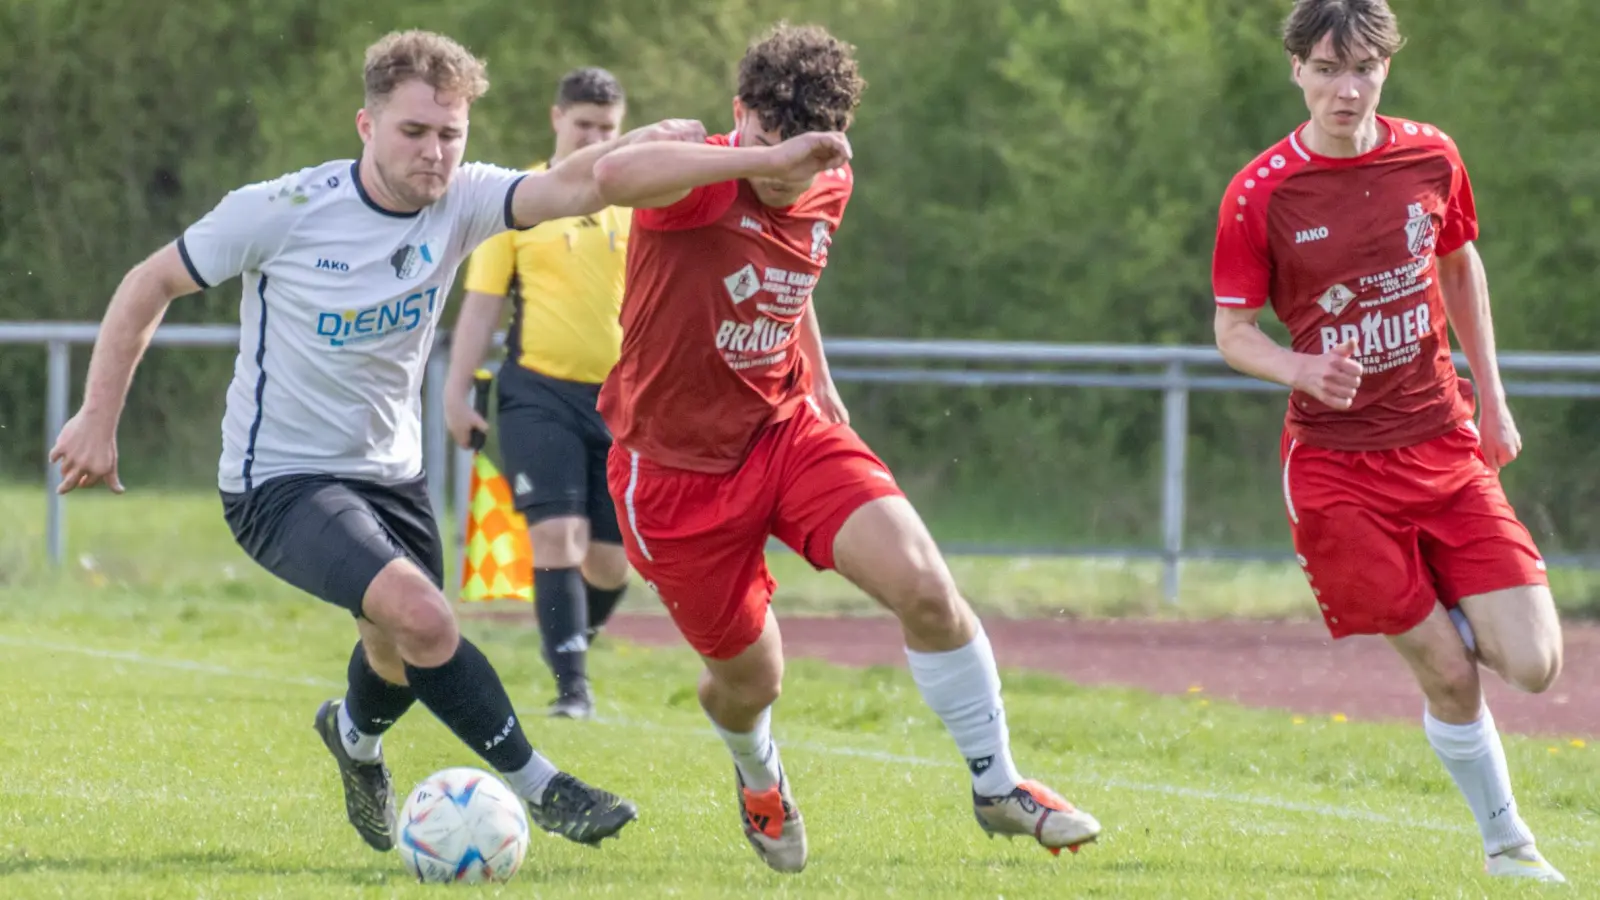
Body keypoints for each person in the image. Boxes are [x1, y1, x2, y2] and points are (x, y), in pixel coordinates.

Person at [49, 30, 700, 856]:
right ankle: (546, 788)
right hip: (279, 480)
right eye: (414, 131)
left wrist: (678, 144)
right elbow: (150, 282)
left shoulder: (466, 197)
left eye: (450, 134)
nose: (435, 152)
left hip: (392, 475)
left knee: (396, 648)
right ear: (367, 126)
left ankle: (353, 739)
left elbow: (579, 182)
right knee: (423, 617)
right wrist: (97, 416)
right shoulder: (282, 209)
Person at [588, 22, 1102, 873]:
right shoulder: (698, 181)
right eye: (770, 142)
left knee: (927, 588)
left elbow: (790, 274)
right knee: (753, 682)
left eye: (807, 155)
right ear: (740, 113)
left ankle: (999, 785)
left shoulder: (832, 177)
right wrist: (755, 156)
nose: (788, 172)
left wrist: (817, 372)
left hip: (786, 429)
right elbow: (611, 177)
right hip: (674, 474)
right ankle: (759, 773)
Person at [1210, 0, 1564, 884]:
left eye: (1363, 68)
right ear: (1297, 70)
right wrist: (1299, 369)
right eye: (1328, 69)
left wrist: (1494, 400)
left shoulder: (1431, 155)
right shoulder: (1261, 192)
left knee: (1536, 664)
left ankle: (1439, 597)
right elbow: (1232, 332)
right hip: (1337, 474)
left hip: (1443, 444)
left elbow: (1460, 265)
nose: (1347, 88)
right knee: (1450, 676)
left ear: (1386, 69)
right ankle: (1509, 846)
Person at [446, 67, 634, 721]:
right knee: (557, 538)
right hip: (537, 393)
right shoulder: (521, 201)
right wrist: (455, 393)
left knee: (611, 565)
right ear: (557, 119)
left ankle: (571, 634)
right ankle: (571, 689)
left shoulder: (639, 203)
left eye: (607, 128)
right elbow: (480, 307)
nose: (595, 138)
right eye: (584, 124)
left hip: (621, 404)